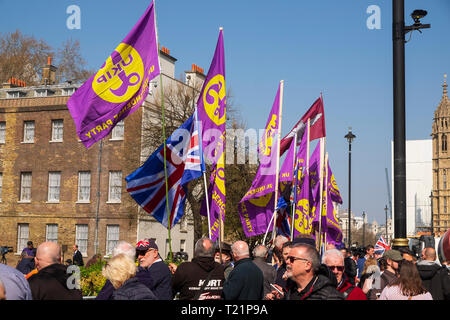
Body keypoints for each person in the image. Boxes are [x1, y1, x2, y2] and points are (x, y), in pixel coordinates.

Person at [267, 242, 344, 300]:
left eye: (292, 259)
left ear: (307, 265)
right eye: (287, 258)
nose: (287, 262)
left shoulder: (329, 296)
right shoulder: (292, 290)